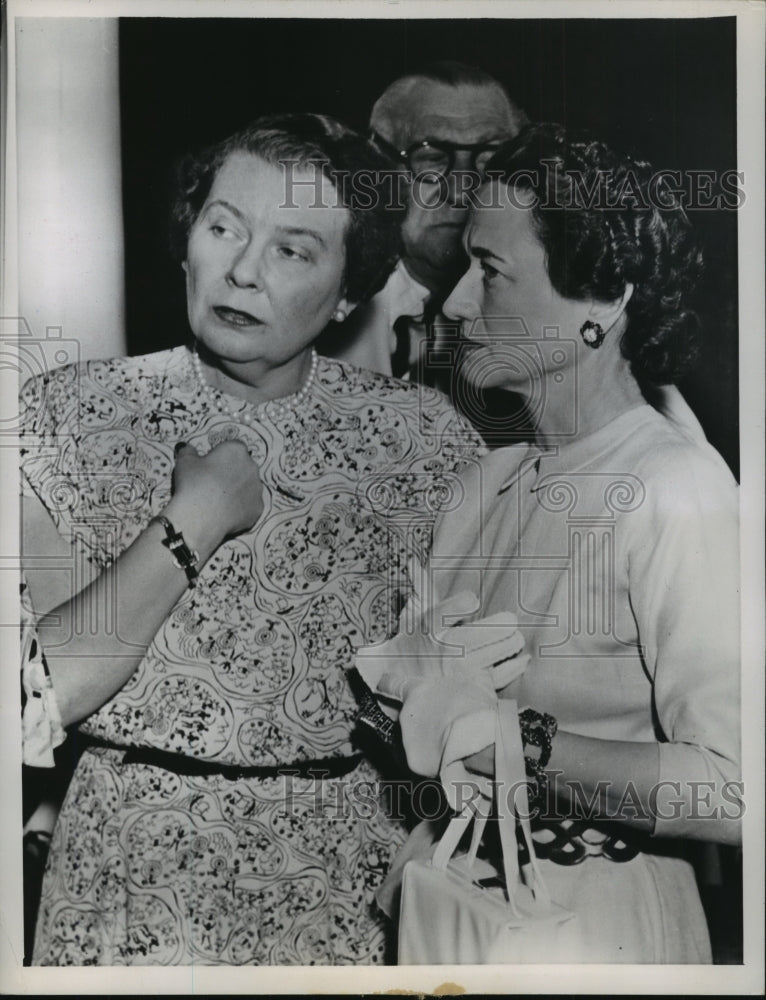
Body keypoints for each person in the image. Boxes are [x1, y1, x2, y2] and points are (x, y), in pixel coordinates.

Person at [19, 112, 484, 965]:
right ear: (188, 234)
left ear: (350, 290)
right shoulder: (67, 417)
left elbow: (470, 684)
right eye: (224, 226)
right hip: (130, 869)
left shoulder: (424, 443)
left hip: (347, 881)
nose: (240, 269)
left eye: (291, 250)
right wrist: (193, 517)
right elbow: (34, 694)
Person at [365, 123, 740, 962]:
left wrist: (519, 748)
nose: (456, 303)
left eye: (491, 271)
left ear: (601, 306)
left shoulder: (677, 490)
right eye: (464, 265)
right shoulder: (482, 485)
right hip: (450, 913)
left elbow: (737, 789)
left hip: (599, 927)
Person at [320, 61, 527, 383]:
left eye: (489, 160)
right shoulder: (320, 305)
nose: (461, 191)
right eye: (431, 158)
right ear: (378, 167)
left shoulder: (546, 316)